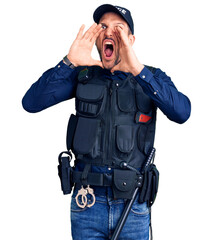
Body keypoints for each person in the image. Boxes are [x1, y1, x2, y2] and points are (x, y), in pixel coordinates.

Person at [22, 4, 191, 240]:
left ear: (131, 39)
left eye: (118, 28)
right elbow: (31, 102)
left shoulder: (151, 77)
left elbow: (182, 112)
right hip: (87, 202)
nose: (110, 32)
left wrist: (139, 71)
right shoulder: (83, 75)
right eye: (103, 26)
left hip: (133, 206)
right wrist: (69, 61)